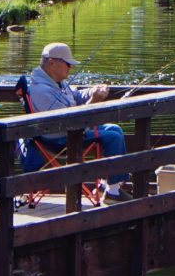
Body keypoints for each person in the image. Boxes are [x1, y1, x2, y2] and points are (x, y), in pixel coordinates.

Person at [18, 40, 126, 179]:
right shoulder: (41, 90)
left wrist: (93, 91)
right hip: (59, 140)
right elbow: (67, 122)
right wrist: (93, 102)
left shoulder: (57, 82)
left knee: (115, 129)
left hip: (70, 133)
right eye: (68, 64)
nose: (70, 67)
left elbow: (75, 96)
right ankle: (113, 189)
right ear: (52, 63)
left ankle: (111, 185)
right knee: (113, 137)